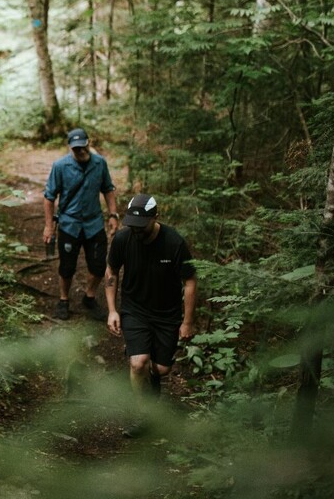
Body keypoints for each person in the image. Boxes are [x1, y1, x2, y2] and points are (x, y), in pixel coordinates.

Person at [104, 194, 197, 437]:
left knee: (161, 369)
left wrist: (187, 322)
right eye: (131, 224)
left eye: (140, 225)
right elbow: (112, 270)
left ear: (156, 217)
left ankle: (151, 378)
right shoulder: (124, 238)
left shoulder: (174, 242)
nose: (135, 230)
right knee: (139, 363)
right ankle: (143, 414)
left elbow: (189, 281)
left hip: (168, 313)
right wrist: (113, 310)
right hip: (135, 310)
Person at [43, 128, 118, 320]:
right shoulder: (60, 166)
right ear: (70, 148)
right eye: (76, 149)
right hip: (70, 224)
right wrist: (49, 226)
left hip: (94, 223)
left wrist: (113, 215)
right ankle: (63, 299)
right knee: (67, 267)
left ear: (88, 143)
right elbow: (49, 197)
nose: (80, 151)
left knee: (99, 266)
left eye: (83, 147)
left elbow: (108, 189)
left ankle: (90, 296)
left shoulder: (100, 163)